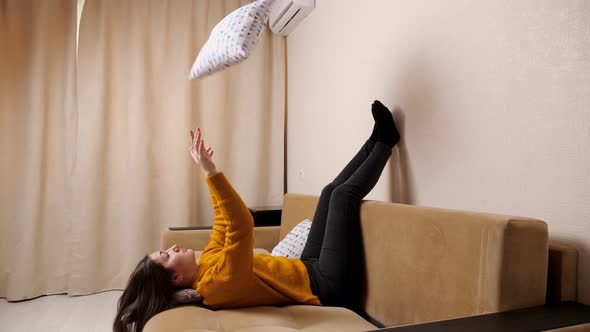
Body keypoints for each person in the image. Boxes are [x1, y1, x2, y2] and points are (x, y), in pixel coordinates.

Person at [113, 100, 400, 332]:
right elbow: (241, 225)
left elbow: (224, 224)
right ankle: (386, 142)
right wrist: (211, 174)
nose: (173, 247)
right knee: (342, 197)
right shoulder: (216, 285)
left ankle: (375, 139)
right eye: (166, 255)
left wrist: (208, 169)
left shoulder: (206, 265)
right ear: (176, 278)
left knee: (327, 193)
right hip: (327, 287)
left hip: (306, 268)